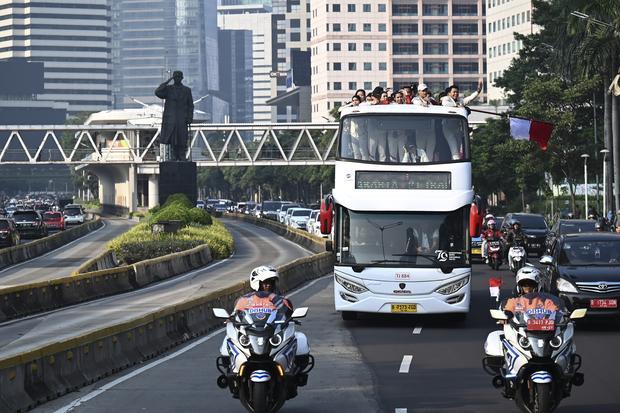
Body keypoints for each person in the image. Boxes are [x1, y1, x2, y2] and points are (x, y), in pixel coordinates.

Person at [154, 70, 194, 161]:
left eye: (179, 77)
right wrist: (168, 81)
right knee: (172, 137)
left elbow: (190, 105)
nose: (177, 79)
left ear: (182, 78)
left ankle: (181, 155)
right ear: (173, 78)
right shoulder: (168, 89)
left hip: (181, 118)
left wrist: (189, 117)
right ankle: (174, 156)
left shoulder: (187, 90)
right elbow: (157, 92)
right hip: (171, 118)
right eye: (175, 77)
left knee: (182, 137)